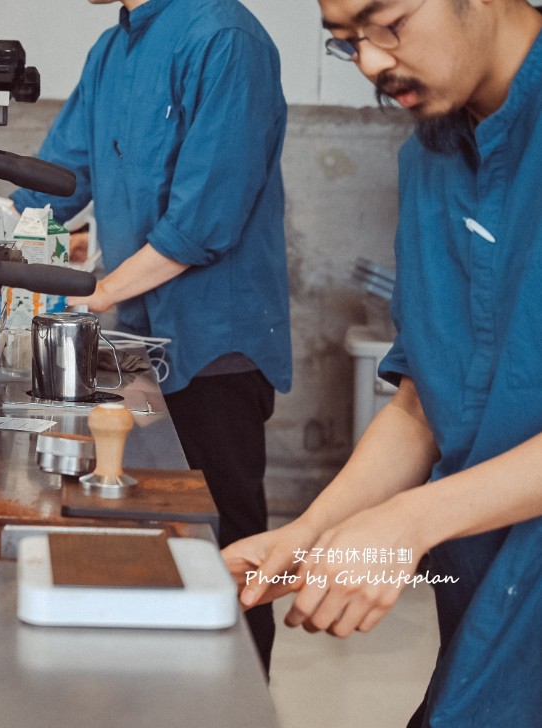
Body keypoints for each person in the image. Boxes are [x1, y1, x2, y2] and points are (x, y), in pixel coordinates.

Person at [222, 0, 542, 724]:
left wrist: (407, 522)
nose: (370, 63)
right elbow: (425, 402)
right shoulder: (430, 158)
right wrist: (311, 533)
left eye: (388, 23)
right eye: (346, 43)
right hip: (493, 617)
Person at [10, 0, 292, 672]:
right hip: (135, 345)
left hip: (215, 348)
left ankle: (241, 703)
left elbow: (203, 223)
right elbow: (58, 181)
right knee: (151, 511)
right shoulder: (113, 51)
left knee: (225, 541)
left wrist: (93, 293)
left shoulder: (226, 40)